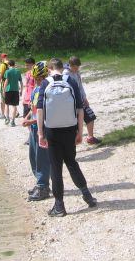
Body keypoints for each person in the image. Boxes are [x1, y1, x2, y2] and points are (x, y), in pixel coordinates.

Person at [37, 58, 97, 217]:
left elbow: (40, 110)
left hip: (52, 130)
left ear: (49, 68)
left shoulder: (45, 83)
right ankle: (88, 196)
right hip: (70, 129)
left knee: (56, 167)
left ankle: (59, 206)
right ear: (61, 67)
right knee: (71, 162)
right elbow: (79, 108)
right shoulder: (70, 80)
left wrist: (40, 133)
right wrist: (80, 131)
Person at [22, 61, 51, 201]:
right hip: (32, 128)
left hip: (41, 128)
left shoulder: (46, 90)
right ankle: (39, 183)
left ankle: (43, 186)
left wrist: (31, 121)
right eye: (36, 79)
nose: (38, 81)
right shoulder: (35, 89)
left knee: (42, 158)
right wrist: (26, 117)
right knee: (33, 157)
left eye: (40, 79)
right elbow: (32, 108)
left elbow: (44, 114)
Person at [63, 56, 101, 144]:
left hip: (80, 99)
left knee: (90, 116)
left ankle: (90, 138)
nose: (77, 69)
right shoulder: (65, 74)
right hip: (72, 102)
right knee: (74, 124)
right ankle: (72, 144)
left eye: (78, 67)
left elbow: (80, 86)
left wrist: (84, 98)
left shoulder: (77, 73)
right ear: (71, 65)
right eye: (75, 67)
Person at [2, 59, 23, 126]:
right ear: (14, 64)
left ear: (9, 65)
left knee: (7, 105)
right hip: (16, 90)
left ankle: (7, 118)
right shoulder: (18, 71)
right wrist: (21, 90)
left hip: (8, 90)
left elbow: (6, 81)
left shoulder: (7, 71)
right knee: (14, 106)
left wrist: (3, 90)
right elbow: (21, 82)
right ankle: (13, 121)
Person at [0, 53, 9, 120]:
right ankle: (16, 112)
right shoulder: (11, 63)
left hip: (4, 84)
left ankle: (2, 114)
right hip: (11, 83)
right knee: (10, 98)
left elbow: (0, 76)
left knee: (3, 100)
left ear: (2, 58)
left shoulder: (3, 65)